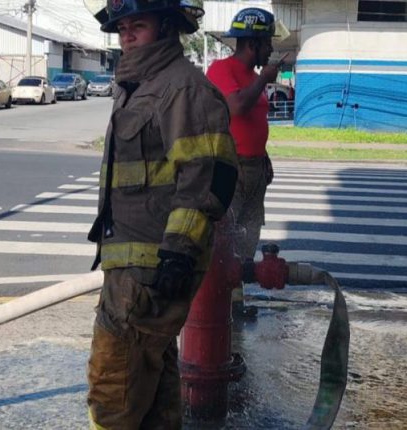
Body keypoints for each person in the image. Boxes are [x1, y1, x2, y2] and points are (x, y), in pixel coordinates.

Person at [86, 1, 238, 428]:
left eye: (139, 25)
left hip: (153, 267)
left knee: (112, 388)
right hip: (133, 262)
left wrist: (178, 251)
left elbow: (207, 175)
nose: (127, 35)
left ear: (168, 28)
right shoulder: (138, 86)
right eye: (122, 28)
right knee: (153, 388)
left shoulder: (182, 89)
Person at [206, 7, 281, 317]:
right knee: (227, 237)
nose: (271, 49)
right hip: (231, 167)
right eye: (267, 43)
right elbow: (236, 107)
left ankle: (235, 300)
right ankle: (221, 304)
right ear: (252, 43)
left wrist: (264, 156)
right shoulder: (221, 70)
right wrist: (264, 79)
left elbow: (253, 122)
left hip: (255, 168)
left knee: (248, 235)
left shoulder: (252, 77)